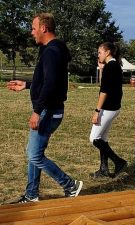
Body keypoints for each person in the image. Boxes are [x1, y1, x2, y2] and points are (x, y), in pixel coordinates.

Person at [7, 13, 83, 203]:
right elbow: (47, 80)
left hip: (47, 110)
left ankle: (70, 185)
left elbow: (50, 84)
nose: (31, 32)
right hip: (48, 109)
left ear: (43, 28)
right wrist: (27, 84)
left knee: (33, 154)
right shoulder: (53, 49)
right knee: (35, 152)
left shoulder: (51, 51)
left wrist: (36, 112)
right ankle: (32, 194)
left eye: (33, 28)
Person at [90, 42, 127, 178]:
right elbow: (104, 84)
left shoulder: (111, 67)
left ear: (108, 52)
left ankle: (118, 161)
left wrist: (97, 111)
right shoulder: (114, 66)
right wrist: (101, 70)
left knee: (94, 138)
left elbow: (103, 91)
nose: (98, 55)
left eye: (100, 52)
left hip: (108, 108)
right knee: (103, 139)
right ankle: (104, 169)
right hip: (114, 107)